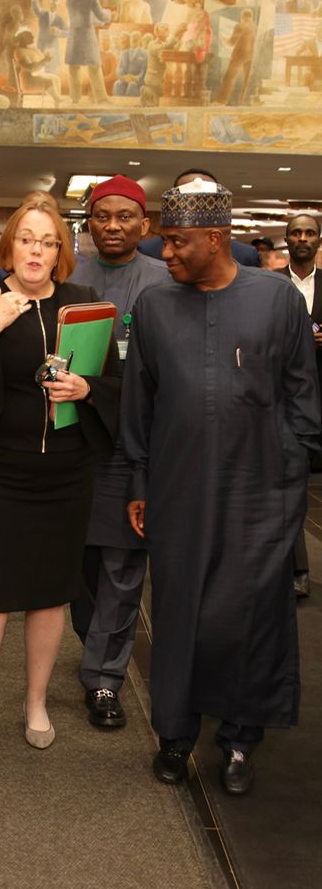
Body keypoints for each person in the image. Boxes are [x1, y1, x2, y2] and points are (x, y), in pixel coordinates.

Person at [121, 180, 320, 795]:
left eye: (178, 243)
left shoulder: (278, 299)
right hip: (178, 491)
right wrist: (139, 483)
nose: (167, 254)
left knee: (249, 617)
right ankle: (176, 740)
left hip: (261, 493)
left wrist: (288, 476)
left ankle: (238, 742)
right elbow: (139, 406)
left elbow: (302, 399)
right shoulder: (155, 306)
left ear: (217, 237)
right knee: (180, 615)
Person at [0, 192, 121, 776]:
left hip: (66, 470)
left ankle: (36, 703)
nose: (36, 250)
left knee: (50, 593)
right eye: (26, 239)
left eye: (47, 241)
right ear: (8, 245)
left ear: (61, 250)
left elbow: (113, 383)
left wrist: (86, 391)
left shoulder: (86, 302)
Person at [68, 176, 168, 729]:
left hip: (135, 447)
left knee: (125, 565)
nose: (113, 225)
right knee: (81, 566)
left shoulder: (165, 280)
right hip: (73, 444)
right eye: (102, 216)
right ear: (89, 221)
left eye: (124, 216)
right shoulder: (67, 277)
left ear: (144, 224)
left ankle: (104, 678)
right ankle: (94, 644)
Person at [285, 212, 321, 588]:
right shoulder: (270, 285)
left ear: (318, 240)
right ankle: (298, 569)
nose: (303, 238)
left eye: (309, 232)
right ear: (287, 240)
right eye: (296, 232)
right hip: (289, 398)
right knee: (294, 483)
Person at [139, 169, 260, 266]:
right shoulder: (147, 251)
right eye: (188, 195)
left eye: (206, 196)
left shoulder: (244, 255)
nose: (198, 201)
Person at [65, 0, 111, 104]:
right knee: (94, 68)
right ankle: (101, 98)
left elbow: (82, 18)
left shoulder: (69, 0)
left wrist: (96, 21)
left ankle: (74, 98)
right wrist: (110, 14)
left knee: (74, 69)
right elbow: (102, 16)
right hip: (87, 38)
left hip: (74, 37)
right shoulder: (92, 0)